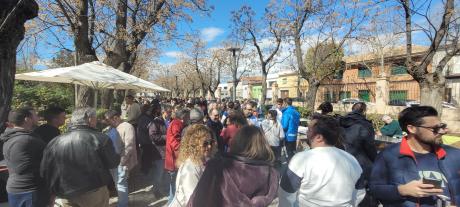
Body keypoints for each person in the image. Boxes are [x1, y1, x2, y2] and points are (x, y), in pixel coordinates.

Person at [370, 106, 460, 206]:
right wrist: (402, 190)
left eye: (442, 126)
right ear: (412, 128)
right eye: (435, 129)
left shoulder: (455, 155)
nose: (442, 131)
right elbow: (374, 190)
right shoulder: (388, 155)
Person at [41, 107, 120, 207]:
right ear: (90, 119)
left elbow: (46, 170)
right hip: (93, 191)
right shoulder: (101, 138)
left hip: (66, 192)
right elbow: (113, 163)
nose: (97, 120)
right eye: (95, 118)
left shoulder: (55, 141)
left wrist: (53, 192)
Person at [279, 114, 363, 207]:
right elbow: (359, 192)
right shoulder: (351, 160)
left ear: (319, 137)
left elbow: (286, 194)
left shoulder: (301, 159)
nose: (307, 133)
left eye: (309, 130)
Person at [187, 125, 279, 207]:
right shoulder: (272, 174)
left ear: (236, 142)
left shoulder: (217, 166)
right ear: (264, 145)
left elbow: (196, 201)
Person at [1, 108, 48, 207]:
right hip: (30, 190)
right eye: (35, 115)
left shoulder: (9, 138)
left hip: (16, 188)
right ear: (27, 119)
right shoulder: (27, 140)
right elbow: (22, 168)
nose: (38, 118)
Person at [339, 102, 377, 206]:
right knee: (363, 193)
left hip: (342, 159)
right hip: (361, 162)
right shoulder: (365, 124)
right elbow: (370, 146)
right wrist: (376, 160)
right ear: (364, 111)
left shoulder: (341, 121)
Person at [169, 125, 216, 207]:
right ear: (194, 144)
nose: (209, 146)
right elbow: (193, 201)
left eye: (211, 142)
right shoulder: (190, 169)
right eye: (205, 143)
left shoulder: (202, 160)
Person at [104, 110, 137, 207]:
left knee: (121, 184)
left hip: (121, 162)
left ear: (115, 118)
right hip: (114, 161)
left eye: (108, 120)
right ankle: (122, 202)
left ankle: (123, 204)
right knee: (118, 184)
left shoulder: (127, 127)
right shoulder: (112, 127)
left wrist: (122, 162)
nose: (107, 122)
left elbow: (129, 146)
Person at [165, 109, 190, 205]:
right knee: (176, 185)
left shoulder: (176, 123)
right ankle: (171, 203)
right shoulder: (177, 124)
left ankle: (170, 202)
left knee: (174, 185)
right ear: (183, 117)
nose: (189, 118)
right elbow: (174, 142)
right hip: (174, 159)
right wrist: (183, 154)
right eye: (187, 116)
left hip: (174, 159)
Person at [149, 103, 168, 198]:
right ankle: (156, 190)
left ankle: (163, 189)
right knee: (159, 173)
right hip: (159, 153)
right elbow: (153, 136)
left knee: (164, 172)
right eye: (169, 111)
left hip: (166, 152)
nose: (171, 113)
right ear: (164, 112)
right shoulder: (156, 122)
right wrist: (166, 137)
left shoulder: (168, 121)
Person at [137, 104, 156, 174]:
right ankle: (145, 169)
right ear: (147, 110)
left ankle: (146, 167)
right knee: (146, 154)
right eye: (149, 110)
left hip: (143, 139)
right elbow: (147, 128)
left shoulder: (143, 117)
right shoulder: (145, 118)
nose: (150, 111)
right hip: (145, 139)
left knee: (146, 154)